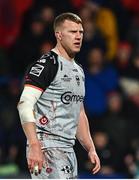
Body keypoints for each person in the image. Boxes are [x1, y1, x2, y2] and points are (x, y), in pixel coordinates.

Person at [17, 12, 100, 179]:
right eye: (72, 32)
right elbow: (24, 104)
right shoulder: (47, 65)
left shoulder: (79, 70)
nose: (78, 37)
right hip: (46, 147)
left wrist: (90, 147)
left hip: (68, 149)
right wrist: (34, 145)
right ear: (59, 35)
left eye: (81, 32)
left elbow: (79, 112)